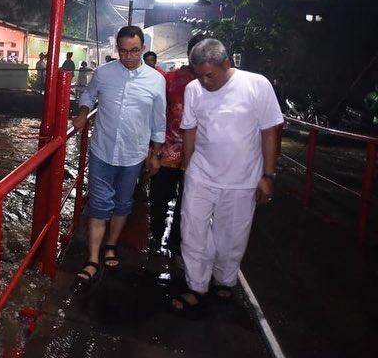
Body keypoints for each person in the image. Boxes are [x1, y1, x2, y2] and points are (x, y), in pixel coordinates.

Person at [170, 38, 283, 316]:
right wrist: (186, 168)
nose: (205, 81)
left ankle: (224, 279)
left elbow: (269, 131)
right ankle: (197, 285)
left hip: (243, 178)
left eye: (211, 74)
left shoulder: (257, 85)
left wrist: (268, 175)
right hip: (201, 173)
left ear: (227, 63)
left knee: (232, 235)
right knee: (192, 231)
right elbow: (190, 130)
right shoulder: (194, 89)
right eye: (200, 75)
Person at [72, 26, 166, 287]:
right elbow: (89, 95)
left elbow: (159, 121)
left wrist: (155, 154)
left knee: (123, 203)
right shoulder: (104, 73)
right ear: (117, 50)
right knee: (100, 203)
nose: (128, 57)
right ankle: (92, 259)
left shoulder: (156, 80)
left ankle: (111, 245)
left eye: (134, 51)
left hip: (133, 154)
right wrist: (82, 112)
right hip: (102, 149)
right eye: (123, 51)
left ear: (143, 49)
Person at [148, 34, 208, 265]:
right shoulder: (170, 79)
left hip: (201, 158)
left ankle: (177, 244)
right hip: (167, 152)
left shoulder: (214, 83)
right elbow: (156, 116)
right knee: (159, 198)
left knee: (190, 204)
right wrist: (152, 151)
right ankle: (155, 237)